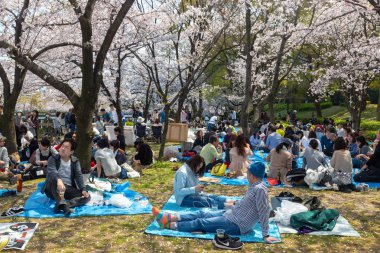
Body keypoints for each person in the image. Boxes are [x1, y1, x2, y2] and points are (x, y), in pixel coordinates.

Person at [152, 162, 278, 247]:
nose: (247, 176)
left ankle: (169, 225)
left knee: (201, 222)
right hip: (231, 215)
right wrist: (233, 205)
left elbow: (263, 211)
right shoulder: (254, 187)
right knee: (202, 213)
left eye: (248, 173)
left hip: (237, 224)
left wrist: (265, 235)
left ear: (252, 175)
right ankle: (169, 217)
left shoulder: (260, 189)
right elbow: (249, 205)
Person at [41, 139, 90, 216]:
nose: (63, 148)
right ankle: (62, 204)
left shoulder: (75, 161)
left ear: (71, 152)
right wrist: (59, 180)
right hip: (52, 189)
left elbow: (78, 176)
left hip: (67, 188)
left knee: (87, 196)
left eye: (66, 147)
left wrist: (83, 189)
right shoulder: (53, 158)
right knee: (54, 180)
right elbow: (52, 171)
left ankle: (65, 205)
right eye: (62, 146)